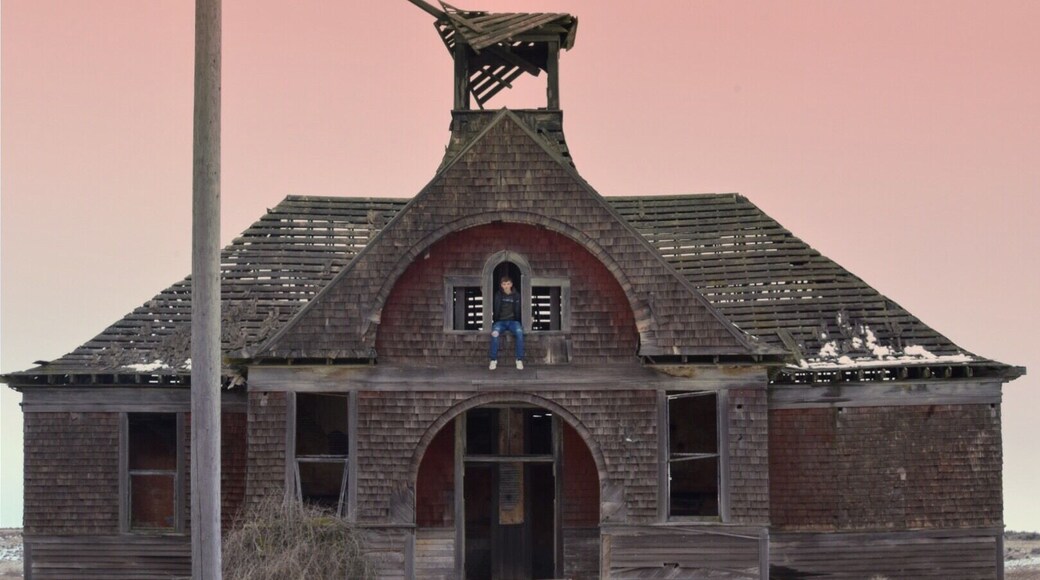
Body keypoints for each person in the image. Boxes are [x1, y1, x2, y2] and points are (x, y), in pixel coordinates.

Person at [489, 275, 524, 370]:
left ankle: (519, 359)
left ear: (511, 284)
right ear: (501, 285)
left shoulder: (517, 295)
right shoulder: (498, 295)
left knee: (520, 333)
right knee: (494, 334)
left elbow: (524, 306)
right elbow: (492, 307)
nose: (506, 286)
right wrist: (494, 320)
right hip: (500, 322)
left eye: (508, 284)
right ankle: (493, 360)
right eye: (504, 284)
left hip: (513, 321)